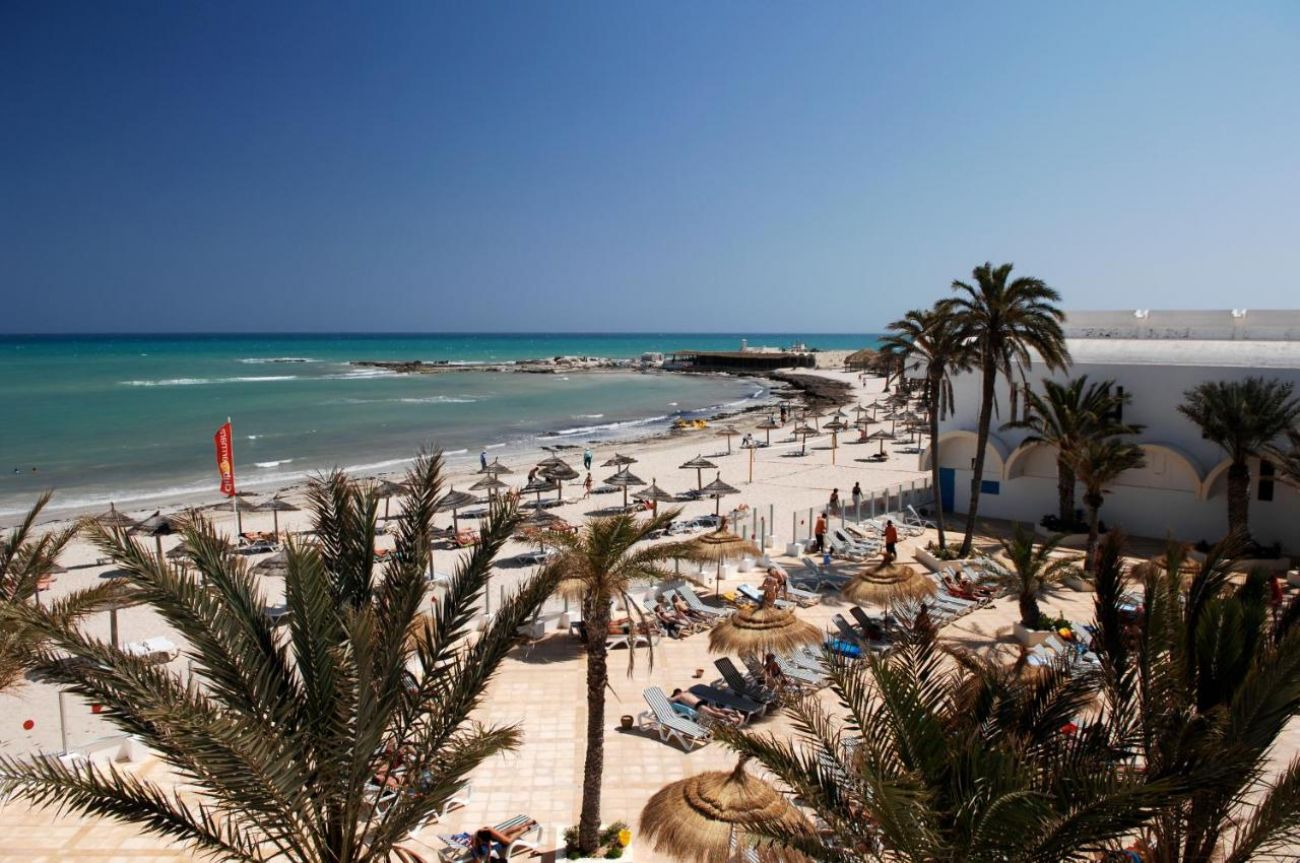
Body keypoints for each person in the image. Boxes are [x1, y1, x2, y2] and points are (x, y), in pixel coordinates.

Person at [469, 820, 538, 861]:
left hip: (486, 833)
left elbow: (484, 843)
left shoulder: (475, 850)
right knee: (505, 833)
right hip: (485, 833)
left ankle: (526, 828)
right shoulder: (477, 847)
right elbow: (487, 843)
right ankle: (528, 823)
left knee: (507, 841)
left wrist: (487, 858)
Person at [670, 688, 744, 725]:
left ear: (676, 693)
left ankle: (728, 717)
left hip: (698, 705)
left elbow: (671, 700)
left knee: (713, 714)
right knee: (719, 710)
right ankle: (735, 712)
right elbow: (688, 690)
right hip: (704, 701)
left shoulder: (679, 695)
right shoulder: (687, 692)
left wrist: (669, 698)